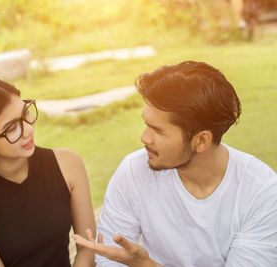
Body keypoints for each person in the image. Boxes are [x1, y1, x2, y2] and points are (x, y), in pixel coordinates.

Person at [73, 61, 277, 266]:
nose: (144, 138)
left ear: (201, 141)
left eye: (158, 131)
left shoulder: (261, 192)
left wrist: (145, 265)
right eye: (146, 124)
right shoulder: (134, 170)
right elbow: (110, 259)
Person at [0, 77, 96, 267]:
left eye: (25, 113)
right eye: (11, 128)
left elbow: (88, 248)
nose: (27, 130)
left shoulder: (68, 165)